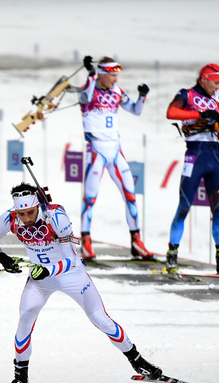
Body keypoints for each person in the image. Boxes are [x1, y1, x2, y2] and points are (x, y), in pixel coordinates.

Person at [0, 183, 162, 383]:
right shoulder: (10, 218)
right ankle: (20, 380)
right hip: (41, 279)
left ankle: (138, 362)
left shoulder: (56, 217)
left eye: (30, 212)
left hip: (71, 275)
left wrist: (48, 269)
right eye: (21, 214)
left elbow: (71, 259)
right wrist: (2, 258)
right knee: (25, 320)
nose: (26, 218)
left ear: (38, 206)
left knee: (100, 319)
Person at [164, 63, 219, 275]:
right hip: (194, 155)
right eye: (216, 83)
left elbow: (218, 132)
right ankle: (172, 256)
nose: (218, 88)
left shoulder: (217, 100)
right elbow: (171, 112)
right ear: (204, 79)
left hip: (214, 157)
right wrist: (200, 115)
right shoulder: (186, 95)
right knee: (184, 206)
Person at [78, 55, 152, 260]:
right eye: (112, 75)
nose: (116, 80)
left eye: (117, 75)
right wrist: (91, 75)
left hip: (116, 150)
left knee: (130, 195)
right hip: (97, 151)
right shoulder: (89, 91)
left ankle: (136, 242)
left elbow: (136, 110)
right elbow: (85, 95)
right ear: (101, 74)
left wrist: (142, 96)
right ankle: (86, 242)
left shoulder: (116, 92)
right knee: (90, 198)